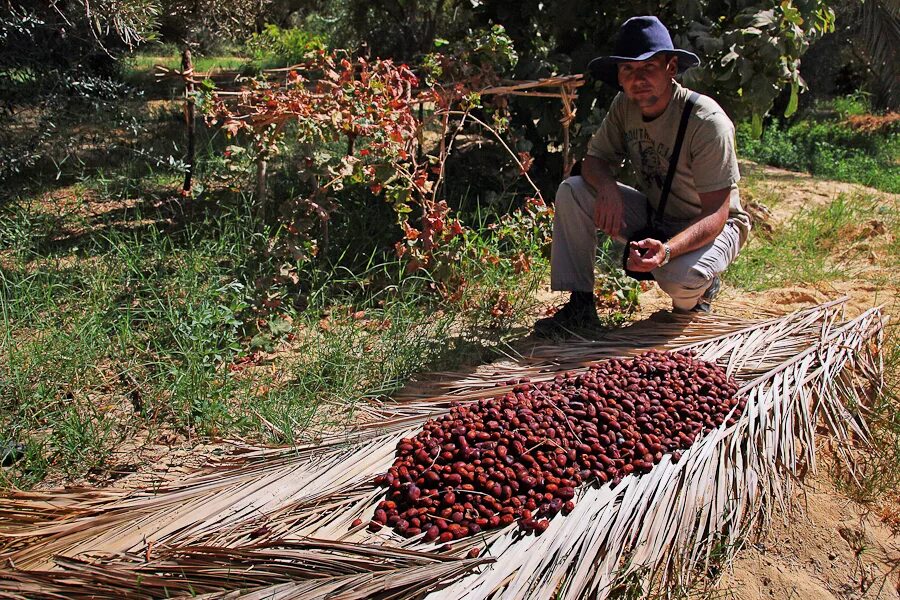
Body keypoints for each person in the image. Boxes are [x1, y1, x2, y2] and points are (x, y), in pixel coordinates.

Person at [535, 16, 751, 335]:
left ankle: (698, 295)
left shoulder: (707, 123)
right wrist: (607, 186)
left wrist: (667, 251)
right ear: (620, 77)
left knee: (677, 278)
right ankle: (580, 306)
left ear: (671, 68)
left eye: (648, 67)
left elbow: (716, 215)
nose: (638, 79)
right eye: (628, 70)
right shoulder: (625, 106)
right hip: (659, 214)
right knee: (574, 190)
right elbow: (594, 160)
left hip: (712, 226)